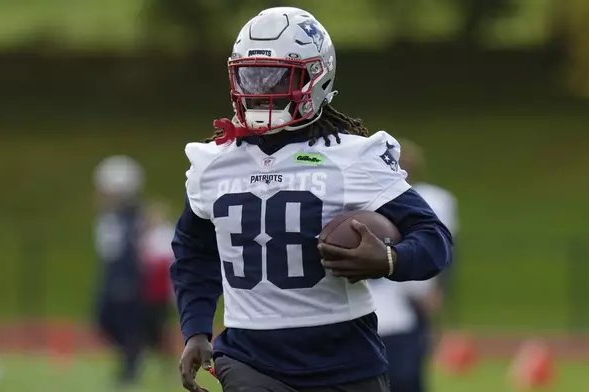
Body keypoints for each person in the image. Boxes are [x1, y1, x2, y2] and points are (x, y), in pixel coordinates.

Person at [170, 7, 453, 392]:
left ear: (316, 77)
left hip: (345, 359)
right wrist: (196, 328)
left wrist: (389, 260)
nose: (260, 89)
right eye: (250, 76)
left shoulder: (353, 157)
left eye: (276, 78)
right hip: (250, 359)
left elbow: (434, 237)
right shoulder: (213, 162)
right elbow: (193, 250)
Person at [370, 139, 459, 392]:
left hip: (396, 303)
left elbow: (440, 249)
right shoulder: (365, 200)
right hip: (387, 306)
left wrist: (433, 289)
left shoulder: (430, 201)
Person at [93, 155, 145, 388]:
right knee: (103, 319)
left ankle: (130, 367)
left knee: (125, 323)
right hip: (110, 273)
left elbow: (133, 247)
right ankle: (133, 355)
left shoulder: (133, 215)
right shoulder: (109, 213)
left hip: (127, 275)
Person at [140, 200, 177, 366]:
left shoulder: (167, 235)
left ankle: (168, 359)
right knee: (148, 324)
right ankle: (153, 355)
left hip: (161, 289)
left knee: (161, 326)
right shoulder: (146, 235)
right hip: (148, 289)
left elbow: (169, 262)